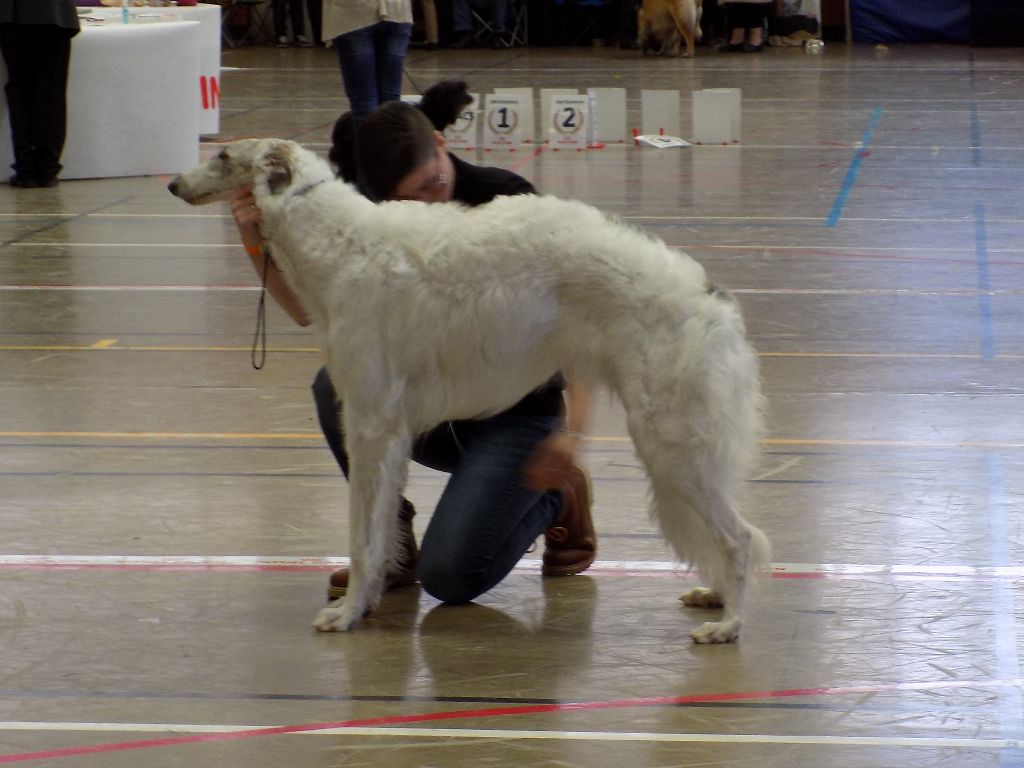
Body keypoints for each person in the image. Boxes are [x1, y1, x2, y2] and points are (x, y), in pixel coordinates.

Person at [229, 94, 597, 607]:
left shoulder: (506, 197)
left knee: (452, 577)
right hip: (434, 405)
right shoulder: (372, 214)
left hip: (517, 417)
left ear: (442, 145)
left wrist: (572, 434)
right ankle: (391, 545)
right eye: (412, 198)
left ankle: (556, 497)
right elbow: (311, 311)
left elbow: (578, 320)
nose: (429, 200)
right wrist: (255, 240)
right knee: (332, 383)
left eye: (435, 183)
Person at [0, 0, 80, 188]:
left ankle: (26, 168)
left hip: (13, 13)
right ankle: (46, 168)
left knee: (19, 90)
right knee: (52, 92)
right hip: (54, 13)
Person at [323, 0, 413, 125]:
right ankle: (392, 144)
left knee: (364, 102)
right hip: (396, 10)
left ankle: (369, 143)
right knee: (390, 101)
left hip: (354, 13)